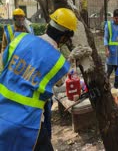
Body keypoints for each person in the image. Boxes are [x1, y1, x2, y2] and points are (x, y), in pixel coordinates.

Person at [0, 8, 77, 151]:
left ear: (49, 25)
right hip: (27, 123)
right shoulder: (59, 62)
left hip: (2, 112)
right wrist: (70, 60)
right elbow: (60, 83)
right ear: (64, 38)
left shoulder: (20, 39)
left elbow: (4, 64)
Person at [104, 9, 118, 89]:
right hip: (111, 53)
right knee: (108, 72)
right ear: (113, 18)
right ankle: (105, 87)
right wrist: (106, 50)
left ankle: (116, 89)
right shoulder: (108, 25)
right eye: (116, 18)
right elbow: (106, 38)